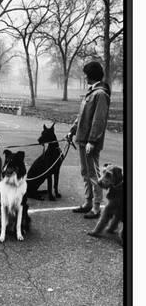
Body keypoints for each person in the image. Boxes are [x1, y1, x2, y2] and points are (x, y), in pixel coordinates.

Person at [67, 61, 111, 219]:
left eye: (86, 73)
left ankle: (96, 207)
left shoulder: (100, 94)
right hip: (82, 140)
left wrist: (92, 141)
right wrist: (72, 130)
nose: (84, 76)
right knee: (85, 172)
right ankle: (88, 202)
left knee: (93, 175)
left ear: (91, 75)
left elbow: (98, 121)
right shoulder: (91, 92)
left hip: (90, 142)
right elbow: (82, 116)